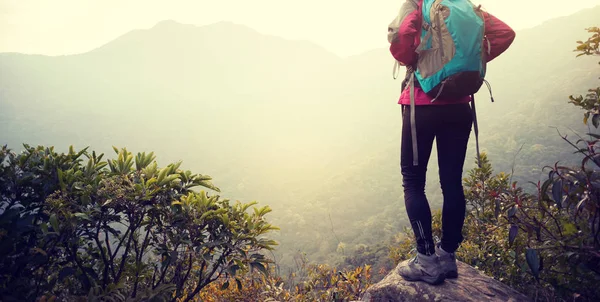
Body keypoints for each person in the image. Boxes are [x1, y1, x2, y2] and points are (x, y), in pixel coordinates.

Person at [388, 0, 516, 285]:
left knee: (413, 182)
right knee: (452, 182)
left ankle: (425, 262)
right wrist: (463, 63)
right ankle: (447, 256)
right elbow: (505, 33)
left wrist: (424, 61)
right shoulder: (463, 6)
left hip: (421, 105)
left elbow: (400, 47)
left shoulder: (418, 5)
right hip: (460, 108)